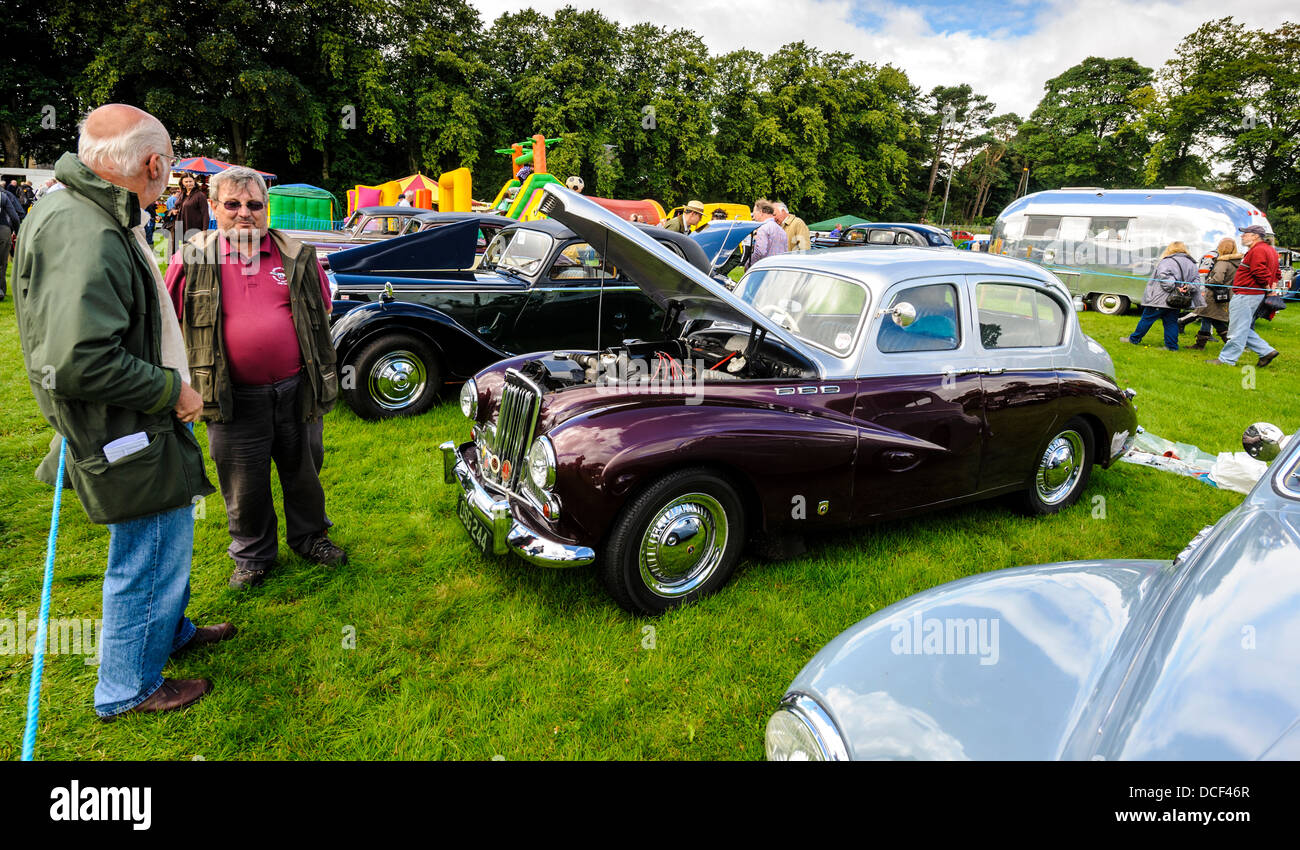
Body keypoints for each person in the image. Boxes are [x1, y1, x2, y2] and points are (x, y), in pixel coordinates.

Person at [12, 103, 229, 720]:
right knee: (148, 546)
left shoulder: (81, 208)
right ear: (154, 163)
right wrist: (173, 391)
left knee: (166, 533)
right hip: (123, 422)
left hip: (126, 416)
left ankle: (169, 631)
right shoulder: (87, 228)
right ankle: (128, 686)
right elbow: (80, 359)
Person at [165, 165, 346, 590]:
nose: (244, 213)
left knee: (304, 470)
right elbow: (167, 326)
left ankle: (310, 538)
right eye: (232, 204)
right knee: (243, 483)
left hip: (296, 389)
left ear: (267, 208)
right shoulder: (191, 259)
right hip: (230, 395)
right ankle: (252, 556)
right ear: (213, 207)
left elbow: (323, 311)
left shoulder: (297, 255)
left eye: (254, 205)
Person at [1207, 224, 1280, 367]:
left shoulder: (1258, 250)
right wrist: (1271, 287)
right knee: (1243, 327)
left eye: (1245, 233)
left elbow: (1260, 271)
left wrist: (1268, 287)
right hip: (1254, 294)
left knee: (1236, 330)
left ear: (1255, 236)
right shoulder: (1269, 250)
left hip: (1247, 293)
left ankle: (1227, 360)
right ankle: (1266, 351)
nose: (1242, 236)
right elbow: (1276, 273)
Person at [1121, 241, 1199, 351]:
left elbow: (1165, 278)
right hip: (1177, 299)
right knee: (1171, 323)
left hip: (1161, 298)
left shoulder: (1167, 261)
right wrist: (1187, 287)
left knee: (1146, 319)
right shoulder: (1191, 263)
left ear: (1170, 249)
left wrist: (1174, 287)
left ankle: (1133, 339)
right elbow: (1196, 281)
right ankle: (1172, 347)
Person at [1178, 238, 1236, 350]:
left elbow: (1215, 278)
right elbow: (1203, 273)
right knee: (1206, 315)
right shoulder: (1227, 259)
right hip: (1217, 292)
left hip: (1215, 293)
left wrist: (1205, 287)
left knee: (1210, 316)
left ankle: (1231, 345)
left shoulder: (1225, 261)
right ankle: (1200, 343)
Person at [746, 198, 788, 269]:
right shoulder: (781, 230)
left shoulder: (763, 228)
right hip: (779, 268)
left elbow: (760, 252)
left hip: (766, 269)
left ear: (761, 212)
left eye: (754, 212)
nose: (753, 216)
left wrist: (748, 265)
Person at [0, 182, 24, 299]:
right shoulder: (4, 196)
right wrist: (17, 231)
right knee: (1, 263)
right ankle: (0, 290)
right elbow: (15, 216)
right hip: (3, 230)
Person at [173, 172, 208, 241]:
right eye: (186, 182)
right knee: (180, 248)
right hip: (180, 225)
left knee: (191, 249)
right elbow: (177, 206)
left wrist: (204, 230)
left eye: (190, 181)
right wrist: (174, 211)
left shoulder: (200, 195)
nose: (189, 183)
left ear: (194, 181)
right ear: (182, 183)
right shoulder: (182, 194)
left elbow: (205, 213)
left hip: (193, 227)